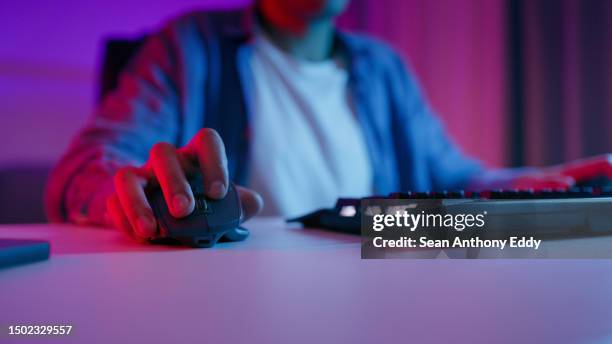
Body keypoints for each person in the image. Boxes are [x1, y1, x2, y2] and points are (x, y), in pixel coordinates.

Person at [45, 0, 612, 241]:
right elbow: (84, 170)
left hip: (375, 294)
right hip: (223, 306)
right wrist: (135, 194)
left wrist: (531, 185)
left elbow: (447, 174)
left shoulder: (383, 67)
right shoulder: (188, 47)